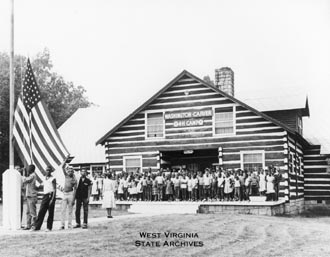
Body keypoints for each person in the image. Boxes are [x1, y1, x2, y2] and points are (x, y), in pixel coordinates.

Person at [31, 165, 57, 231]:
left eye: (49, 170)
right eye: (46, 170)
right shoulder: (44, 178)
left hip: (50, 195)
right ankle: (37, 226)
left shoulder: (53, 178)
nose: (47, 171)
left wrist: (52, 199)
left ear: (51, 171)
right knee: (41, 211)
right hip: (45, 195)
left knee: (50, 212)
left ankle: (49, 227)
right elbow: (43, 186)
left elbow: (54, 189)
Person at [60, 165, 77, 229]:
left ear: (73, 171)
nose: (69, 172)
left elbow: (75, 189)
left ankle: (69, 224)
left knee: (70, 210)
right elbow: (62, 167)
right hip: (64, 194)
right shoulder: (66, 175)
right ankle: (62, 224)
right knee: (63, 210)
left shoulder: (74, 179)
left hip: (70, 194)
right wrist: (65, 160)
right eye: (68, 170)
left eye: (71, 171)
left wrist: (73, 199)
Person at [22, 164, 38, 230]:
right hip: (29, 195)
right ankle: (28, 225)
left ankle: (34, 225)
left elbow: (25, 180)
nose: (28, 170)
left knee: (33, 212)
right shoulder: (31, 176)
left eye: (29, 168)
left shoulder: (33, 176)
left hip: (32, 195)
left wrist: (23, 174)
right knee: (28, 212)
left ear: (32, 169)